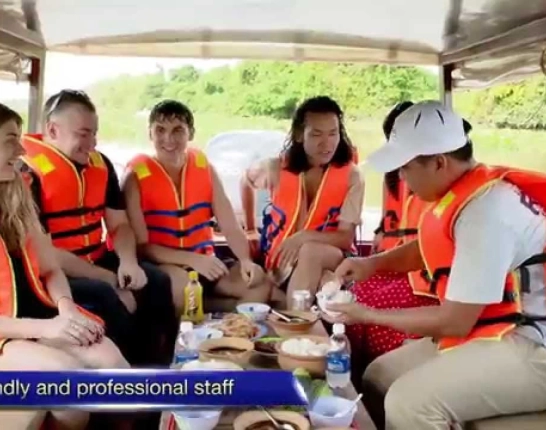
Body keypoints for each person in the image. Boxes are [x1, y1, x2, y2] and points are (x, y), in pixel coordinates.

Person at [324, 100, 546, 429]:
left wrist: (366, 313)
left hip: (544, 351)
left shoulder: (487, 212)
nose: (400, 178)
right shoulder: (466, 193)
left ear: (439, 163)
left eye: (405, 167)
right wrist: (369, 265)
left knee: (409, 403)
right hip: (500, 330)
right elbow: (429, 248)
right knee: (378, 376)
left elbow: (454, 321)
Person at [20, 90, 178, 365]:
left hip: (96, 256)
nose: (92, 143)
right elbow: (47, 256)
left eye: (94, 133)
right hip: (54, 274)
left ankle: (164, 361)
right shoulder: (27, 174)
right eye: (83, 134)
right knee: (106, 295)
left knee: (157, 280)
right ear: (52, 130)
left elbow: (119, 225)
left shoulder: (101, 164)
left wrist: (128, 263)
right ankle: (131, 377)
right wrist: (108, 278)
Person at [0, 103, 128, 430]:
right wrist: (46, 329)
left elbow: (51, 270)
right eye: (10, 140)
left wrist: (66, 311)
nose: (22, 148)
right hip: (6, 338)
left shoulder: (16, 198)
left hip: (36, 322)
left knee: (116, 367)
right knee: (72, 385)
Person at [122, 100, 270, 314]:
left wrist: (246, 260)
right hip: (162, 264)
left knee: (260, 283)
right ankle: (208, 324)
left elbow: (229, 225)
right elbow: (142, 247)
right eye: (160, 130)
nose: (168, 139)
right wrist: (192, 260)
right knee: (187, 291)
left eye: (178, 130)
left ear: (190, 133)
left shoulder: (205, 170)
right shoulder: (134, 177)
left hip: (205, 259)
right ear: (150, 134)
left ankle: (229, 330)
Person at [241, 96, 364, 308]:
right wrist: (250, 230)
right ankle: (289, 309)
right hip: (282, 264)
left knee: (310, 251)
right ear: (299, 135)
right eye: (316, 134)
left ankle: (297, 325)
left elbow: (345, 238)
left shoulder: (352, 176)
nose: (327, 144)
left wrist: (303, 237)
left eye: (333, 134)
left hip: (332, 256)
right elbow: (245, 181)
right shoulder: (275, 167)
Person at [347, 102, 439, 371]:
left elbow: (430, 249)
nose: (401, 172)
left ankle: (376, 365)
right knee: (359, 288)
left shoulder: (443, 191)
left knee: (371, 300)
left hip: (428, 281)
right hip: (403, 264)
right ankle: (357, 364)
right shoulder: (399, 174)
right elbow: (393, 216)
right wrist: (378, 237)